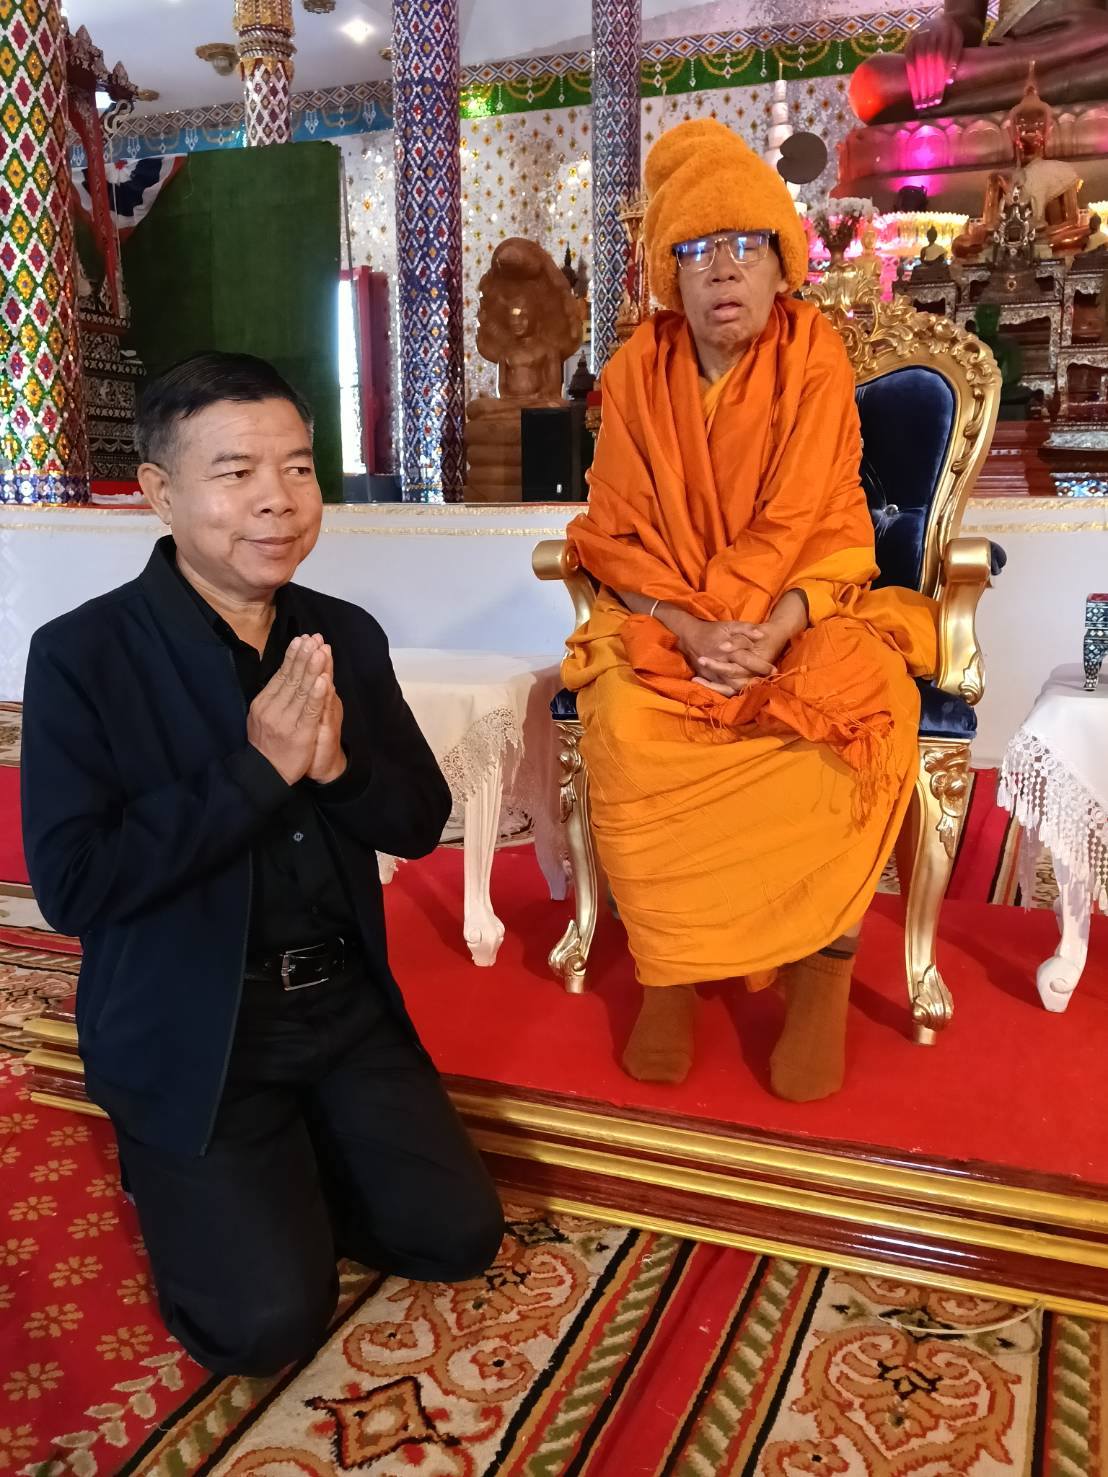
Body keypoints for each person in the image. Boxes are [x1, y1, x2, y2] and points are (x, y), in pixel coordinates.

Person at [20, 353, 504, 1376]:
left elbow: (419, 822)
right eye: (237, 472)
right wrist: (257, 772)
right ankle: (186, 1160)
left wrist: (333, 767)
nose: (277, 500)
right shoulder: (83, 655)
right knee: (264, 1326)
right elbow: (74, 884)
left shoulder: (344, 634)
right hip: (194, 1025)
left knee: (454, 1236)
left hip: (342, 1006)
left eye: (296, 467)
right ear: (160, 493)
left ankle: (298, 1151)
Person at [563, 120, 938, 1102]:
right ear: (668, 273)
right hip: (669, 624)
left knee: (862, 705)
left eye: (744, 245)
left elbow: (816, 521)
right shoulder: (634, 375)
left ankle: (824, 973)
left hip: (794, 618)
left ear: (781, 266)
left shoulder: (814, 357)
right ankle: (672, 972)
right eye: (695, 249)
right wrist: (692, 632)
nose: (722, 269)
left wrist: (763, 631)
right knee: (626, 724)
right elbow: (612, 532)